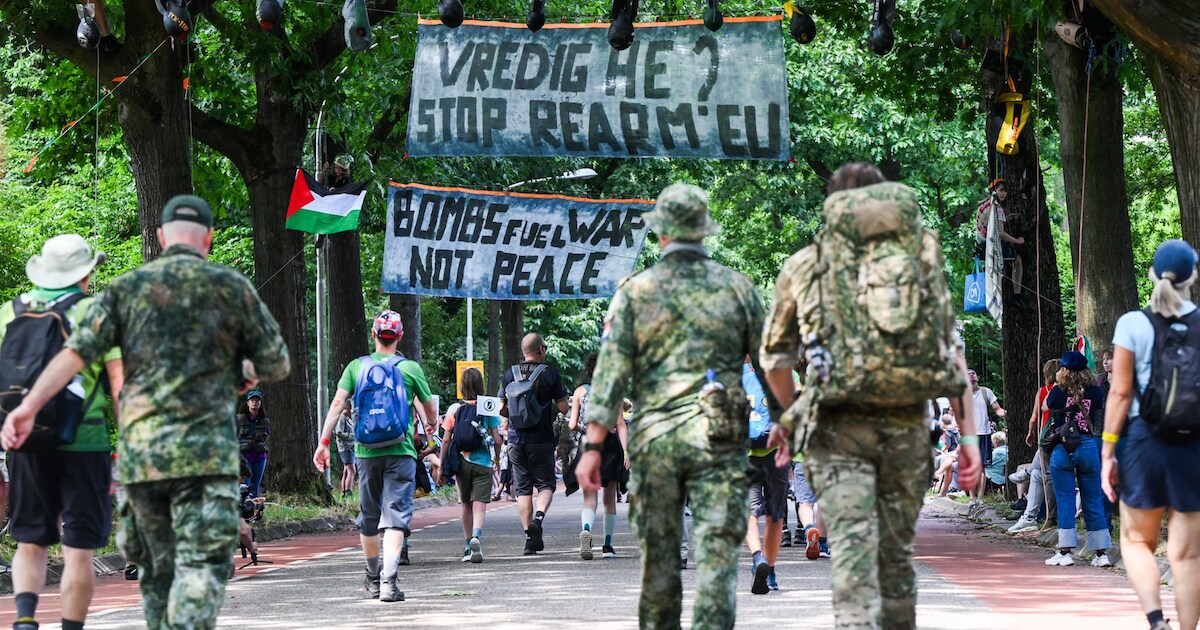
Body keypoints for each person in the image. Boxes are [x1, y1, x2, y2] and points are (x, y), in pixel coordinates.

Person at [1, 197, 291, 630]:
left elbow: (75, 354)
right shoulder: (230, 288)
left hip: (142, 458)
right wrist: (240, 374)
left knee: (155, 571)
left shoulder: (124, 290)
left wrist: (27, 407)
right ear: (209, 239)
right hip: (203, 458)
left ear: (160, 238)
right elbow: (276, 363)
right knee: (201, 567)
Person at [759, 163, 981, 630]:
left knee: (852, 557)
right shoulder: (917, 261)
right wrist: (968, 440)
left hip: (835, 432)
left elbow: (775, 361)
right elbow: (952, 354)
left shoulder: (805, 265)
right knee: (895, 557)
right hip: (905, 429)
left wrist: (791, 416)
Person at [576, 183, 768, 630]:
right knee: (717, 562)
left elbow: (610, 375)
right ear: (702, 231)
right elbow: (768, 362)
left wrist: (593, 446)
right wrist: (782, 416)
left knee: (660, 566)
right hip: (718, 442)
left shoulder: (634, 293)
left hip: (658, 441)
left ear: (661, 234)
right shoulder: (738, 288)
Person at [0, 234, 123, 630]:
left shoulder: (10, 311)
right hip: (84, 441)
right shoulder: (95, 311)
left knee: (31, 540)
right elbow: (119, 384)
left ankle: (24, 619)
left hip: (25, 440)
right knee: (78, 549)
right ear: (85, 273)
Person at [1102, 239, 1200, 630]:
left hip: (1146, 443)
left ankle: (1157, 621)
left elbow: (1120, 393)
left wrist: (1108, 452)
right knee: (1189, 556)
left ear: (1152, 275)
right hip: (1193, 446)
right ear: (1193, 277)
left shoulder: (1132, 323)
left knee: (1136, 540)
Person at [313, 309, 436, 603]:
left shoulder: (357, 367)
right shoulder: (410, 368)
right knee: (395, 517)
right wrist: (431, 423)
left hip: (366, 452)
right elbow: (430, 408)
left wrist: (323, 442)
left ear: (374, 335)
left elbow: (337, 404)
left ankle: (372, 576)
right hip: (401, 452)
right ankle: (389, 582)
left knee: (369, 516)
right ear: (400, 336)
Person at [498, 332, 570, 556]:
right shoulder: (550, 373)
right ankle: (537, 520)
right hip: (541, 439)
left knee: (523, 489)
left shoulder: (510, 373)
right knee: (546, 484)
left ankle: (529, 540)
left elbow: (501, 409)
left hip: (516, 439)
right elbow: (564, 408)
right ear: (541, 350)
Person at [1043, 351, 1111, 568]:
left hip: (1064, 446)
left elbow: (1047, 406)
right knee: (1093, 500)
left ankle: (1065, 552)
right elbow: (1098, 408)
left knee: (1065, 500)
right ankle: (1101, 554)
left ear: (1063, 370)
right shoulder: (1095, 390)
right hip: (1088, 445)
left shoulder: (1058, 390)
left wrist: (1058, 386)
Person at [567, 354, 630, 561]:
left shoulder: (580, 392)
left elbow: (572, 424)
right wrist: (626, 452)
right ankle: (608, 546)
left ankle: (586, 529)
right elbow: (620, 425)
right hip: (610, 446)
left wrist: (584, 428)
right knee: (609, 498)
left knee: (589, 497)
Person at [437, 367, 502, 563]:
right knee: (480, 503)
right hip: (483, 462)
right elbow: (497, 440)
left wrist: (441, 466)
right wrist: (497, 460)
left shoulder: (454, 409)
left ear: (462, 386)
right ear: (480, 384)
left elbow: (446, 440)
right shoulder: (488, 406)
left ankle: (467, 545)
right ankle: (476, 536)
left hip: (461, 462)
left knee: (466, 503)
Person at [974, 178, 1024, 294]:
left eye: (1005, 191)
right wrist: (1017, 241)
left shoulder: (982, 206)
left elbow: (989, 225)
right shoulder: (997, 208)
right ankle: (1017, 294)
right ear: (994, 191)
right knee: (1017, 261)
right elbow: (1001, 233)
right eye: (1001, 190)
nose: (1004, 193)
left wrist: (1007, 218)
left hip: (980, 246)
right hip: (991, 245)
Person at [966, 368, 1007, 501]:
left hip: (984, 433)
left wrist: (1007, 413)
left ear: (977, 377)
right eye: (968, 374)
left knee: (983, 467)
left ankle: (980, 498)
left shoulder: (986, 392)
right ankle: (972, 498)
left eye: (973, 373)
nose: (971, 375)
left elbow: (997, 409)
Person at [236, 389, 270, 498]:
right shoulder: (239, 419)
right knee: (245, 485)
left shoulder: (265, 421)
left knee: (255, 485)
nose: (254, 402)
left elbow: (266, 437)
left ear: (260, 403)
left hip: (260, 456)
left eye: (257, 400)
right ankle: (244, 506)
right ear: (248, 403)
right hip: (244, 457)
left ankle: (254, 506)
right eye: (252, 400)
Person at [334, 400, 357, 498]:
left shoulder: (347, 419)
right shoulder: (341, 418)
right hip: (345, 448)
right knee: (352, 471)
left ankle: (344, 492)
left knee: (346, 470)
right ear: (347, 408)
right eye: (350, 409)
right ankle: (348, 492)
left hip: (350, 447)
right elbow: (339, 432)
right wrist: (351, 436)